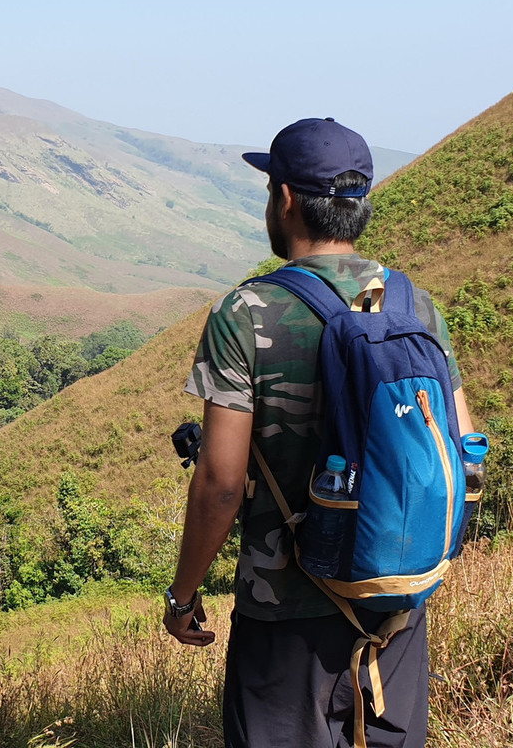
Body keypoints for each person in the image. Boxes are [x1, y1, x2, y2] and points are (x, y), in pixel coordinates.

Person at [161, 117, 474, 747]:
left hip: (285, 615)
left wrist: (183, 593)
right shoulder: (412, 305)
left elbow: (220, 485)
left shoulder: (246, 312)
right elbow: (466, 453)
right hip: (396, 602)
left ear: (283, 198)